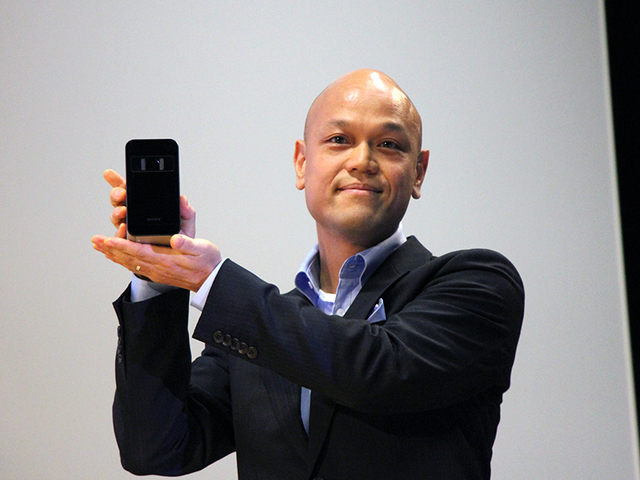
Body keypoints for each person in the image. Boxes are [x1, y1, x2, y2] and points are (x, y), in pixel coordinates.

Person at [92, 69, 524, 480]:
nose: (362, 160)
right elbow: (157, 446)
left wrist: (212, 280)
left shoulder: (478, 285)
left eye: (389, 144)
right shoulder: (256, 331)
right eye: (339, 140)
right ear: (302, 163)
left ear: (419, 171)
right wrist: (158, 278)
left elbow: (378, 368)